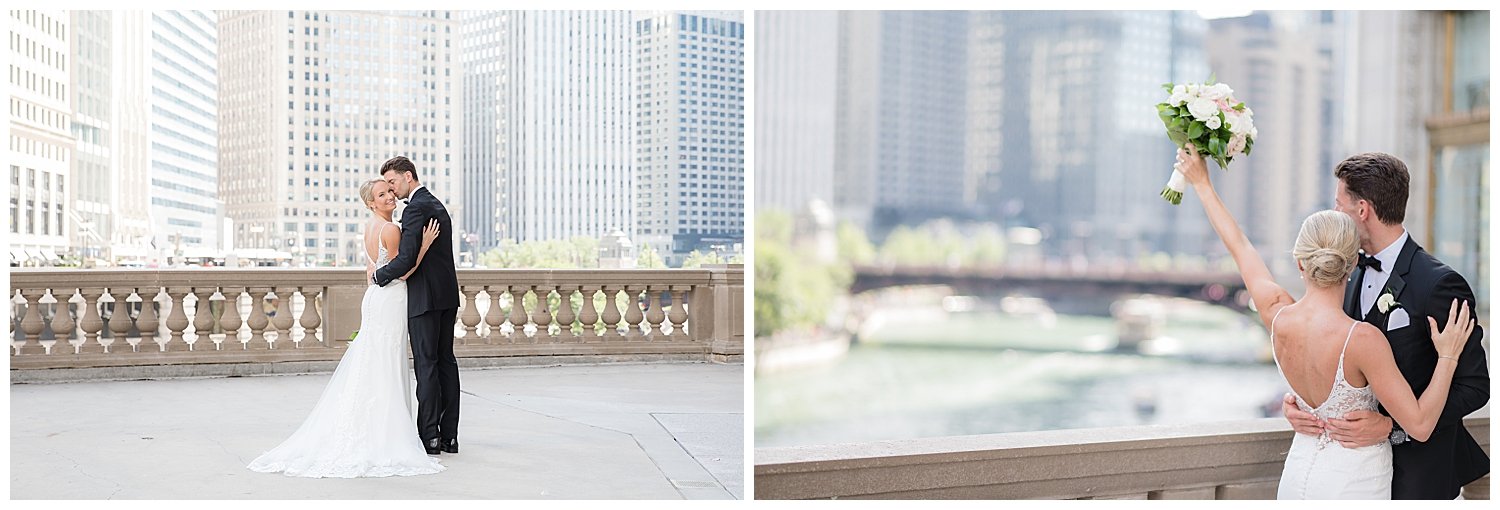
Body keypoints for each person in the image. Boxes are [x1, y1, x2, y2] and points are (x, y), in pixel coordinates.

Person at [1175, 145, 1477, 499]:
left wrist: (1202, 184)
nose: (1337, 207)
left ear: (1301, 263)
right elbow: (1421, 423)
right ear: (1350, 264)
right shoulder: (1362, 339)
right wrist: (1447, 357)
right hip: (1355, 484)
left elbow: (1240, 247)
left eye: (1338, 203)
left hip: (1300, 476)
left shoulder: (1277, 315)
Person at [1282, 152, 1490, 499]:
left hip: (1419, 479)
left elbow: (1475, 386)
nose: (1336, 213)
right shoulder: (1346, 271)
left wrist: (1394, 428)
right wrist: (1304, 401)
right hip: (1354, 475)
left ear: (1362, 209)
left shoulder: (1440, 285)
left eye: (1340, 204)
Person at [248, 179, 444, 478]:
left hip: (375, 299)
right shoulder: (391, 229)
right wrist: (424, 246)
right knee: (386, 363)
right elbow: (401, 272)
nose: (390, 196)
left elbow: (375, 269)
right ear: (371, 203)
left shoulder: (369, 227)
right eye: (382, 194)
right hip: (389, 298)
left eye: (390, 191)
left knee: (374, 361)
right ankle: (387, 433)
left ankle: (369, 425)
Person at [371, 155, 462, 455]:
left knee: (427, 366)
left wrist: (378, 275)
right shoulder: (437, 204)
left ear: (408, 176)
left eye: (393, 182)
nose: (393, 190)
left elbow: (406, 259)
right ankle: (449, 436)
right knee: (446, 362)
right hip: (447, 296)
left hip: (424, 299)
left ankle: (429, 438)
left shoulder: (415, 210)